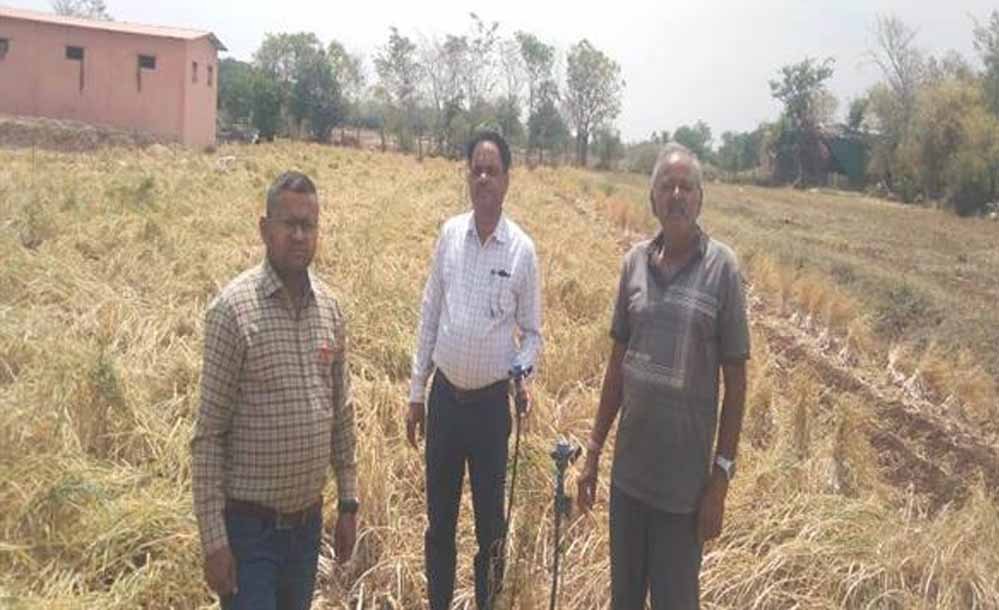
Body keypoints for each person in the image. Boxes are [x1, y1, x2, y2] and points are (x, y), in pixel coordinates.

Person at [577, 143, 750, 610]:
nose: (676, 196)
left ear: (700, 199)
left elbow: (736, 387)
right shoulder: (633, 264)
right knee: (625, 601)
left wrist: (720, 480)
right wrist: (593, 452)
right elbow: (616, 368)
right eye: (667, 187)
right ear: (652, 199)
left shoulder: (723, 270)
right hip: (628, 482)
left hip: (684, 495)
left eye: (686, 187)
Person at [191, 171, 359, 610]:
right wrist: (214, 542)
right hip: (250, 533)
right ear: (265, 229)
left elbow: (342, 414)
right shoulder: (233, 312)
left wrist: (348, 503)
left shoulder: (330, 310)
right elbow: (208, 436)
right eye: (289, 224)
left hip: (306, 529)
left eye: (309, 225)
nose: (299, 236)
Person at [406, 131, 543, 610]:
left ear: (507, 180)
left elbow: (533, 333)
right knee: (439, 524)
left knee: (491, 529)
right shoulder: (449, 236)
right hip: (445, 401)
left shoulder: (521, 251)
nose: (483, 178)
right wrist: (416, 392)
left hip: (489, 410)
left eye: (492, 170)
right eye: (476, 170)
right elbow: (429, 314)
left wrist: (521, 372)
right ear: (468, 176)